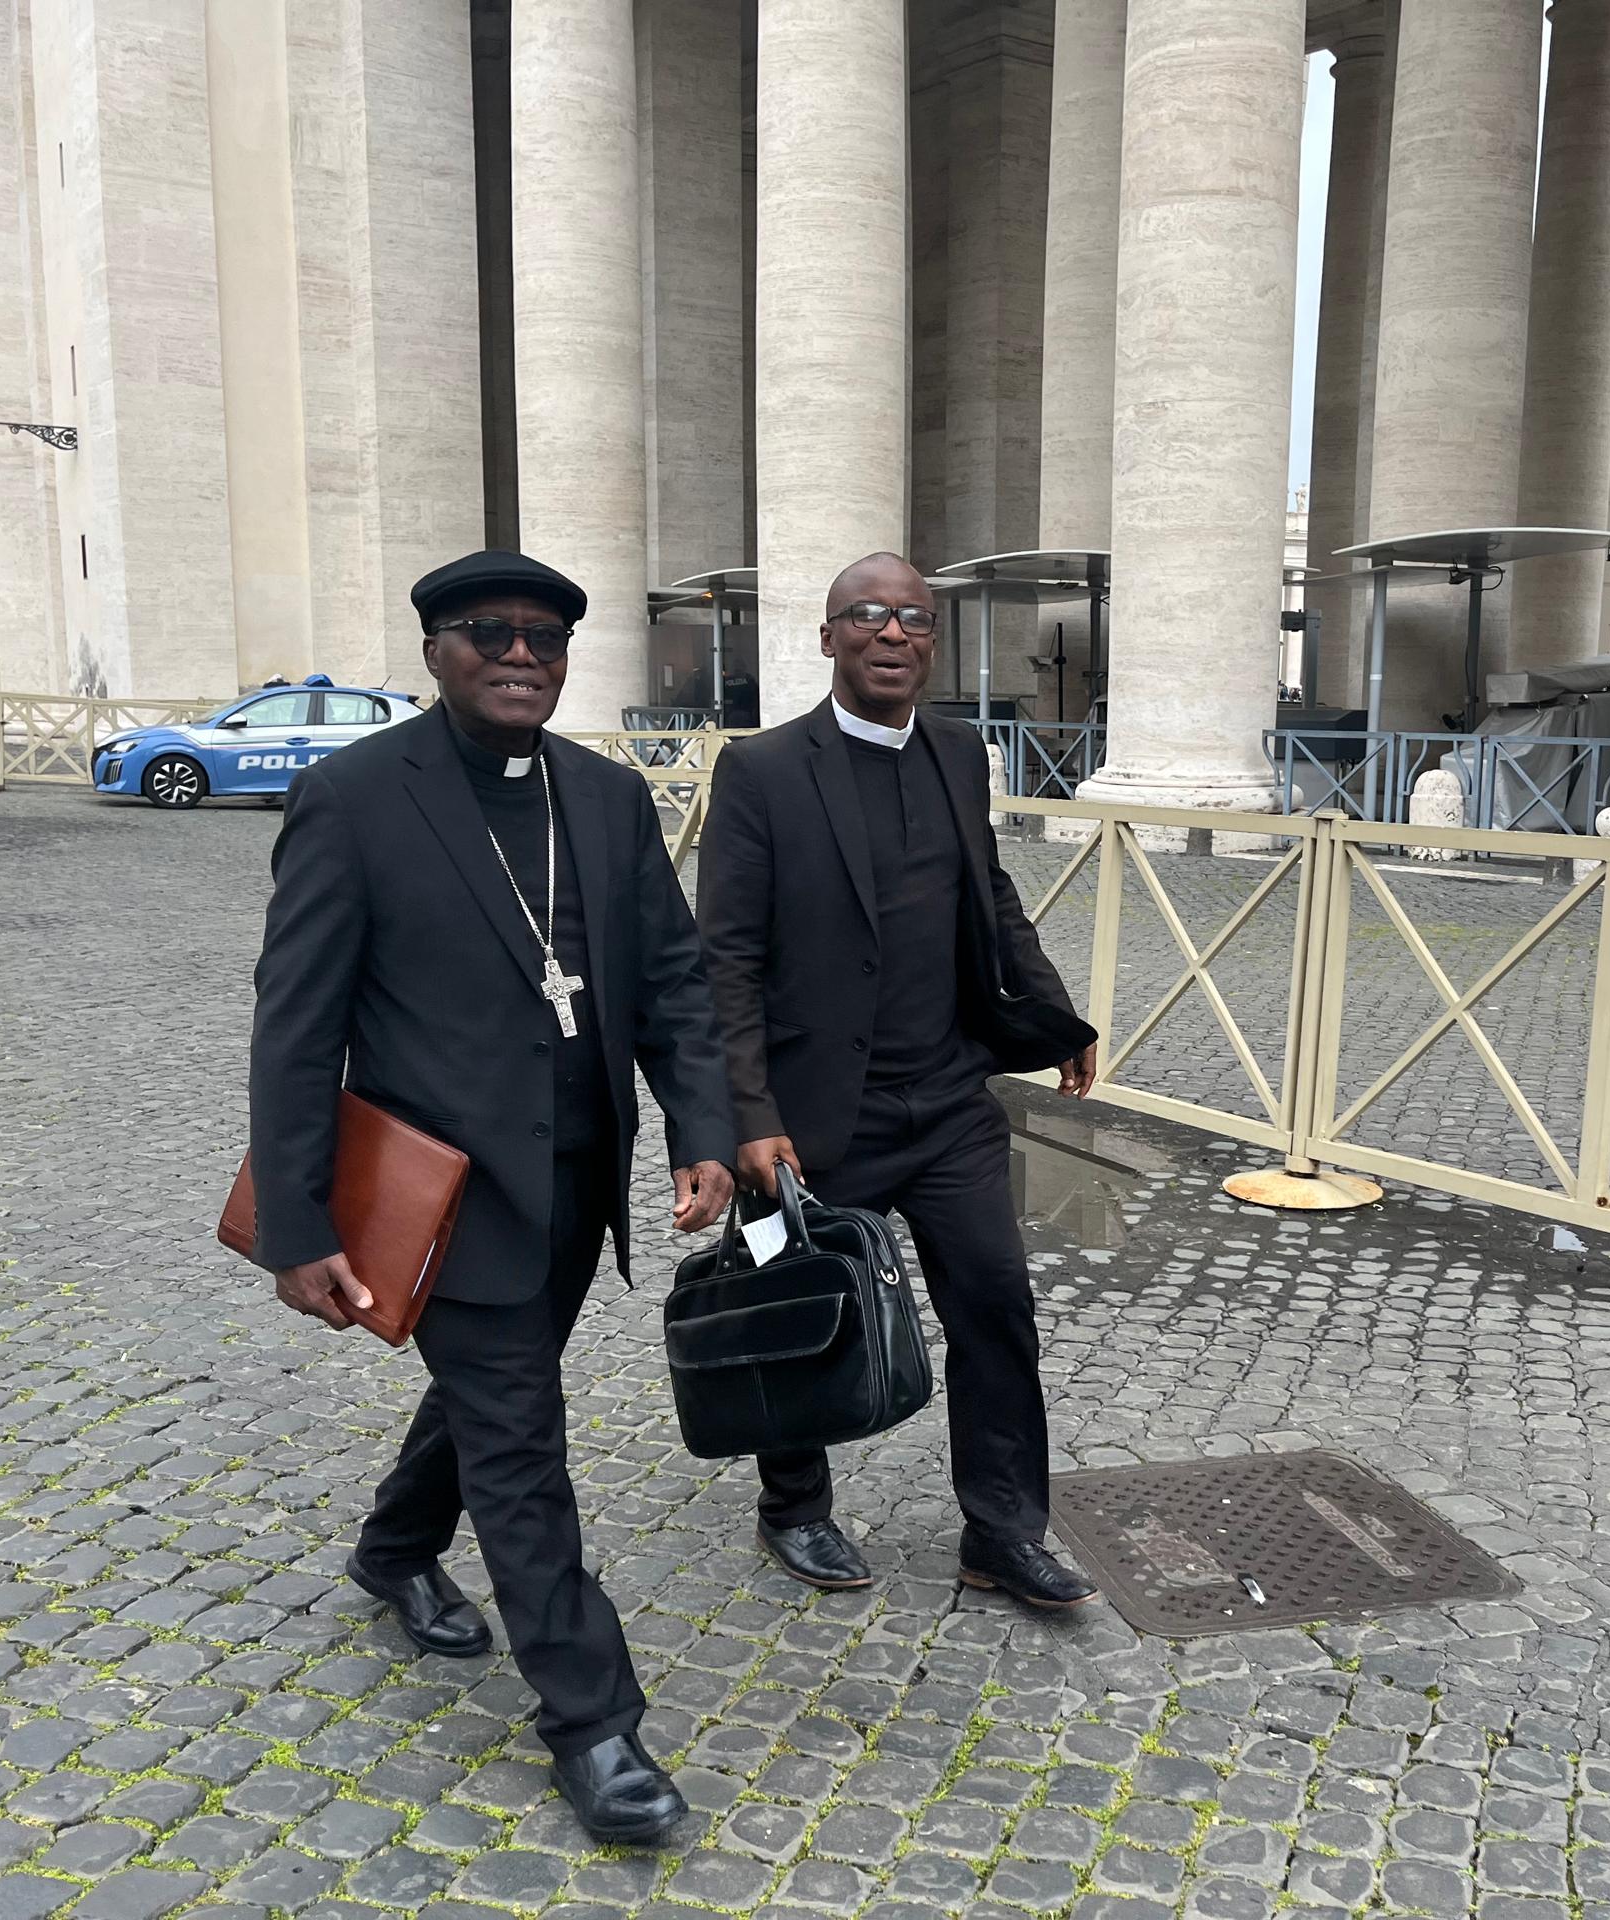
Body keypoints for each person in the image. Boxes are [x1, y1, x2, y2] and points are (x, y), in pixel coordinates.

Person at [247, 549, 736, 1844]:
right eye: (490, 633)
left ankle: (394, 1549)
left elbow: (674, 981)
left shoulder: (606, 799)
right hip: (445, 1195)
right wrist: (296, 1224)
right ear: (435, 652)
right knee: (521, 1444)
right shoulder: (355, 797)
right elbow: (296, 1027)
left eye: (545, 638)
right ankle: (593, 1723)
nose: (521, 655)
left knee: (491, 1400)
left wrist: (700, 1129)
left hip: (577, 1186)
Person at [695, 550, 1100, 1610]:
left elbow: (990, 894)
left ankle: (1001, 1530)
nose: (891, 633)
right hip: (809, 1117)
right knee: (796, 1306)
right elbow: (725, 956)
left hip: (948, 1101)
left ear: (932, 641)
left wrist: (1052, 1012)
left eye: (913, 619)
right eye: (867, 614)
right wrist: (748, 1113)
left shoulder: (960, 754)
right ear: (828, 636)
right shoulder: (763, 770)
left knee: (996, 1304)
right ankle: (793, 1505)